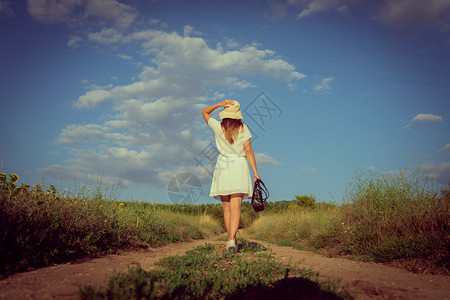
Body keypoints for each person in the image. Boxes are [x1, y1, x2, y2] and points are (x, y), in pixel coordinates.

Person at [202, 99, 260, 252]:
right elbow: (248, 151)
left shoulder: (217, 126)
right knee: (236, 206)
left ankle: (231, 240)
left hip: (223, 166)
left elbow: (204, 112)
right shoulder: (244, 128)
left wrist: (219, 104)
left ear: (225, 113)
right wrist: (255, 173)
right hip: (239, 166)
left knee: (226, 207)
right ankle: (231, 240)